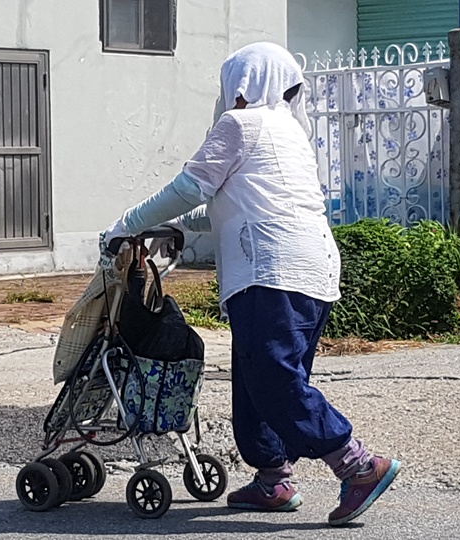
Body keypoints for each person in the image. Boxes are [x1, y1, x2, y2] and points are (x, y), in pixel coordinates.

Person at [101, 41, 401, 527]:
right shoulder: (289, 132)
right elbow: (228, 201)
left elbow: (190, 187)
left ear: (245, 84)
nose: (231, 97)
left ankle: (357, 464)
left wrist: (126, 223)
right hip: (311, 269)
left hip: (271, 270)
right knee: (259, 377)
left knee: (272, 377)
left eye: (234, 86)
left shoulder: (240, 125)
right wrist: (179, 226)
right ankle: (272, 479)